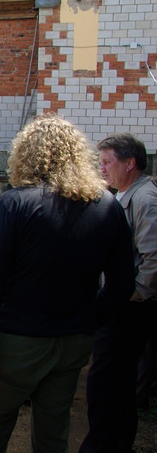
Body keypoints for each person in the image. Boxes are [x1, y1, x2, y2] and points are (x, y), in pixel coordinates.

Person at [0, 115, 134, 452]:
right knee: (53, 435)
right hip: (72, 342)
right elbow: (122, 284)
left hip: (16, 343)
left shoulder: (14, 204)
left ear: (26, 155)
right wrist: (88, 321)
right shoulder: (107, 205)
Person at [79, 133, 157, 452]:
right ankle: (116, 443)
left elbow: (153, 259)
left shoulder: (145, 199)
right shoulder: (127, 195)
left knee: (105, 381)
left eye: (107, 161)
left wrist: (128, 296)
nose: (102, 168)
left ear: (130, 163)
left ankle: (101, 445)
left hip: (130, 309)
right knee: (119, 382)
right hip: (123, 304)